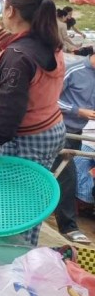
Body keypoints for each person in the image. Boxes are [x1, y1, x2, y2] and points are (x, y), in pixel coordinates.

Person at [0, 0, 65, 246]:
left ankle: (11, 260)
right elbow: (27, 62)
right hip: (50, 128)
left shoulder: (17, 55)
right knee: (30, 198)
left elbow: (10, 107)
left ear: (11, 10)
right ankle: (24, 254)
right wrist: (1, 34)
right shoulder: (49, 40)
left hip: (27, 135)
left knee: (12, 203)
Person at [55, 52, 95, 244]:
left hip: (76, 132)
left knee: (60, 175)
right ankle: (69, 227)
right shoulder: (74, 69)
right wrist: (77, 110)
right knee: (67, 175)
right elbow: (50, 97)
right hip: (56, 128)